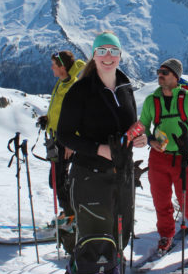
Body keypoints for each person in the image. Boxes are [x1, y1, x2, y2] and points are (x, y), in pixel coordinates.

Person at [56, 32, 147, 246]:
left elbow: (129, 128)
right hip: (90, 177)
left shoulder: (126, 89)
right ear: (94, 55)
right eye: (102, 51)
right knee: (95, 239)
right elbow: (64, 135)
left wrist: (139, 139)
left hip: (123, 175)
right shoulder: (80, 90)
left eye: (113, 51)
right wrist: (100, 149)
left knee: (121, 236)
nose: (108, 56)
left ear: (120, 55)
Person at [139, 58, 188, 260]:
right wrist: (150, 140)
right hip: (158, 158)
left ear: (176, 77)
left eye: (165, 72)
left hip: (182, 158)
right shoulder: (151, 100)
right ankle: (165, 236)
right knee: (161, 201)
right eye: (159, 71)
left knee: (187, 201)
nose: (160, 74)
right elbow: (143, 126)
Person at [37, 50, 85, 218]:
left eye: (54, 65)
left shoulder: (73, 86)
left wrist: (72, 142)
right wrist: (47, 119)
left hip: (65, 142)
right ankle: (69, 213)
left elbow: (80, 115)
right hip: (55, 138)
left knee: (59, 180)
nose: (51, 68)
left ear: (62, 67)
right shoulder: (61, 83)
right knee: (57, 180)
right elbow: (59, 110)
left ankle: (71, 215)